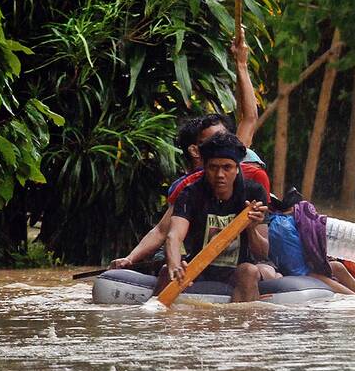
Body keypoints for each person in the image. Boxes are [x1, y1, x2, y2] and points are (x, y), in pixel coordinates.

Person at [110, 34, 269, 270]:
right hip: (200, 259)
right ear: (198, 152)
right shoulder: (190, 188)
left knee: (257, 269)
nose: (224, 144)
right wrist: (131, 259)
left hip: (245, 262)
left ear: (234, 165)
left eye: (227, 166)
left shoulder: (237, 164)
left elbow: (249, 117)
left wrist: (242, 64)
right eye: (215, 165)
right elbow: (164, 231)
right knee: (165, 266)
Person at [157, 132, 270, 302]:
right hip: (197, 268)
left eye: (227, 167)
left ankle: (241, 327)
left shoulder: (253, 193)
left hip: (236, 271)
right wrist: (174, 264)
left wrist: (252, 228)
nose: (220, 175)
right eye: (213, 167)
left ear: (237, 168)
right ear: (204, 166)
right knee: (166, 270)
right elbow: (174, 236)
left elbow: (262, 253)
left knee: (249, 270)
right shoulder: (190, 193)